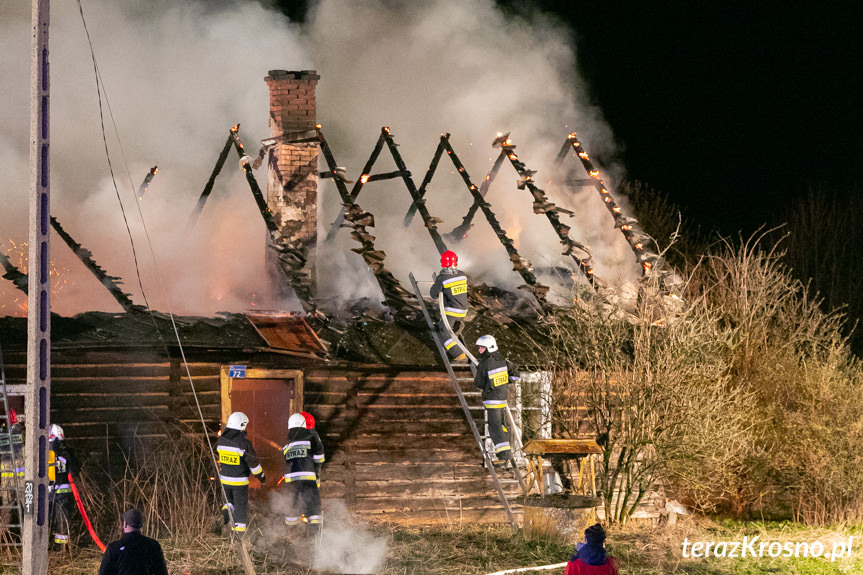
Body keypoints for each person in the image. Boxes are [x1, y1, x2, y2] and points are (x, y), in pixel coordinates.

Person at [215, 411, 266, 534]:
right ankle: (239, 535)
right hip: (239, 482)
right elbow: (253, 464)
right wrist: (262, 477)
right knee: (241, 506)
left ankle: (224, 518)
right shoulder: (244, 443)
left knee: (228, 502)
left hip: (224, 480)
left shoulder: (221, 441)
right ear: (241, 426)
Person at [474, 335, 519, 461]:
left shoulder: (485, 363)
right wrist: (503, 382)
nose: (479, 350)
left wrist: (489, 385)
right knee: (501, 424)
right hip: (502, 397)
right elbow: (515, 376)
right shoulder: (503, 360)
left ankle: (504, 454)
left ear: (488, 348)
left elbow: (478, 383)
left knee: (494, 426)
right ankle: (507, 448)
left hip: (491, 398)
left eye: (482, 348)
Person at [282, 413, 325, 534]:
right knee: (313, 503)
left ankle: (290, 534)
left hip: (291, 481)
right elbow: (320, 458)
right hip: (307, 478)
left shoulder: (287, 445)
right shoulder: (311, 437)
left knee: (292, 504)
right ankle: (315, 534)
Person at [98, 508, 169, 575]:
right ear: (141, 525)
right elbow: (162, 572)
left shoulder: (113, 548)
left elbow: (103, 573)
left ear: (125, 524)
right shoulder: (153, 545)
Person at [429, 250, 469, 362]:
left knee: (444, 333)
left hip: (452, 312)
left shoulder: (443, 278)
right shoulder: (462, 275)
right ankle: (455, 327)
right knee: (438, 315)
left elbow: (434, 295)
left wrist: (438, 281)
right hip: (463, 311)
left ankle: (459, 355)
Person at [49, 423, 79, 548]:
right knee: (62, 521)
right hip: (63, 494)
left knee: (48, 520)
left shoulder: (45, 452)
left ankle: (56, 548)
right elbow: (75, 470)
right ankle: (61, 549)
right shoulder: (68, 452)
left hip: (50, 493)